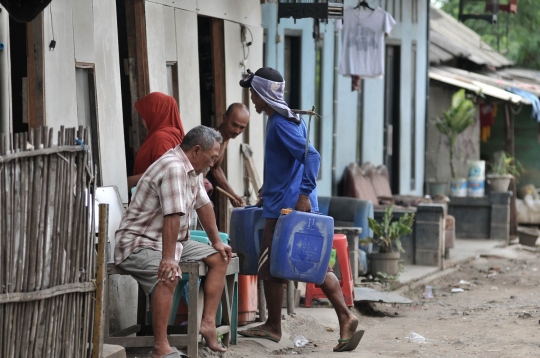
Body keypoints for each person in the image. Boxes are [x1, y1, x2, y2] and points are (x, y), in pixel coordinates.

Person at [237, 67, 364, 352]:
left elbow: (312, 157)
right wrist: (267, 189)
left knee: (269, 267)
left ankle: (272, 326)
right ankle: (345, 317)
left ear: (263, 94)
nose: (252, 102)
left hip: (286, 210)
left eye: (253, 96)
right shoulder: (288, 119)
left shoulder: (280, 123)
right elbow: (289, 163)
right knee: (314, 265)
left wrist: (304, 193)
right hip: (285, 202)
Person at [115, 126, 232, 357]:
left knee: (220, 258)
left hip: (171, 240)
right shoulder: (173, 167)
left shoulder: (193, 169)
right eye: (212, 157)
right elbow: (173, 215)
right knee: (169, 275)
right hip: (139, 243)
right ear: (197, 150)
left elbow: (204, 204)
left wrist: (216, 241)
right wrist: (168, 259)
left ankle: (207, 323)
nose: (213, 163)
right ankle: (160, 347)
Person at [127, 92, 185, 191]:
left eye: (145, 113)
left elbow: (165, 173)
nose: (142, 119)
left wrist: (130, 181)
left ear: (156, 113)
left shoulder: (161, 138)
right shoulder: (175, 134)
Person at [206, 103, 250, 207]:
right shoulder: (212, 140)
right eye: (234, 125)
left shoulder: (225, 140)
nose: (237, 131)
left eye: (242, 127)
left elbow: (215, 169)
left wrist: (233, 195)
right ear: (224, 118)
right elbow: (198, 172)